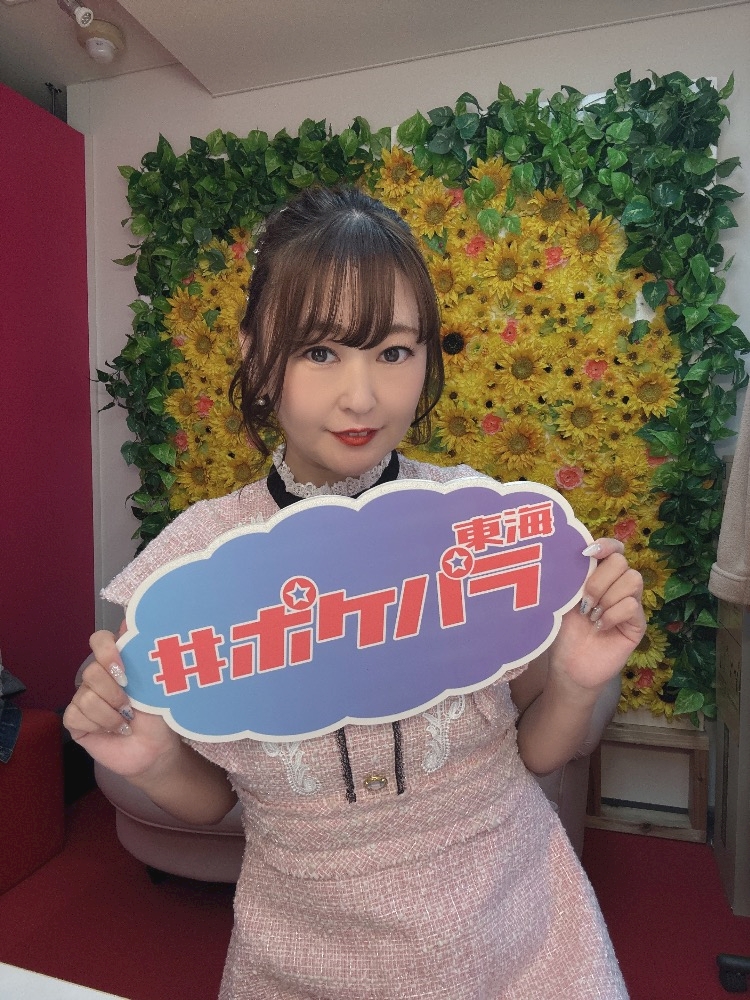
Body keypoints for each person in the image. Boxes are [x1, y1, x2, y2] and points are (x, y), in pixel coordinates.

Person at [65, 185, 645, 1000]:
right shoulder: (191, 565)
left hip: (517, 929)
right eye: (320, 352)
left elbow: (539, 753)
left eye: (395, 352)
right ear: (254, 352)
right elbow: (210, 803)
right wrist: (155, 761)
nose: (363, 397)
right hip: (300, 952)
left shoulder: (481, 522)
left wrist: (577, 681)